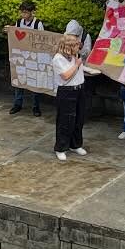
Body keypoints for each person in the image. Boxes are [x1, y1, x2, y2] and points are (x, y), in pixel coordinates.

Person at [51, 29, 87, 160]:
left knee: (79, 118)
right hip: (67, 91)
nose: (79, 47)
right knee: (65, 120)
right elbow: (66, 75)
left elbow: (79, 70)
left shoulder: (73, 56)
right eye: (76, 45)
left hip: (79, 89)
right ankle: (61, 147)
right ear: (69, 46)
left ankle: (75, 144)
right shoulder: (58, 59)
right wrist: (77, 64)